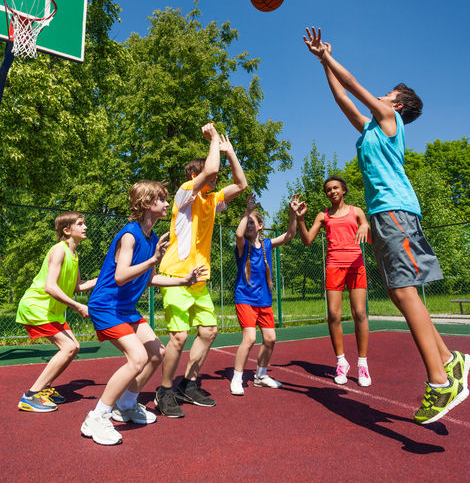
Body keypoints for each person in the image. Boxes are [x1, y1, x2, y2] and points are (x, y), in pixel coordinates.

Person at [303, 27, 470, 424]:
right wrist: (322, 62)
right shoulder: (370, 129)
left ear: (398, 103)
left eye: (387, 94)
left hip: (396, 212)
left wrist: (327, 57)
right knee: (400, 295)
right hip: (384, 216)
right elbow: (343, 97)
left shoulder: (391, 119)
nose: (379, 96)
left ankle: (440, 383)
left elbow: (354, 84)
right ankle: (450, 360)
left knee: (403, 292)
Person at [80, 181, 205, 446]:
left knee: (157, 353)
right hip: (106, 307)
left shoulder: (150, 239)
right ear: (147, 203)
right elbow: (122, 275)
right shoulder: (130, 235)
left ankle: (125, 405)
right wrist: (152, 261)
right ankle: (97, 417)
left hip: (125, 309)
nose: (166, 204)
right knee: (136, 358)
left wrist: (184, 281)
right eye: (161, 199)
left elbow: (149, 279)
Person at [155, 122, 248, 417]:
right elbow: (210, 171)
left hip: (199, 279)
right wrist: (212, 140)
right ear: (195, 176)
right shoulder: (184, 195)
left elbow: (241, 185)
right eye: (210, 174)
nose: (216, 176)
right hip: (175, 277)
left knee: (208, 331)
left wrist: (230, 153)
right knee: (179, 337)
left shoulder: (211, 200)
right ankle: (165, 391)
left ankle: (189, 384)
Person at [295, 176, 372, 387]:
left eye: (336, 187)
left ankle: (362, 364)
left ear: (344, 190)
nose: (332, 191)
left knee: (360, 313)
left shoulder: (357, 212)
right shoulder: (323, 215)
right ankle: (341, 362)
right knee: (333, 315)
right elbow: (307, 240)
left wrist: (365, 226)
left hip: (356, 264)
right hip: (333, 265)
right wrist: (300, 219)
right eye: (328, 189)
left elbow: (365, 225)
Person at [15, 212, 96, 412]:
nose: (85, 227)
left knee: (73, 347)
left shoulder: (74, 254)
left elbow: (77, 287)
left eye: (84, 223)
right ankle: (31, 395)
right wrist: (77, 306)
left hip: (51, 312)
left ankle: (45, 389)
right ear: (67, 230)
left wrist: (104, 278)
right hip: (37, 308)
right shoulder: (59, 250)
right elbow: (50, 287)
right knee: (68, 348)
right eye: (80, 224)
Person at [230, 192, 300, 396]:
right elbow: (238, 234)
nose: (249, 226)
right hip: (245, 298)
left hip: (264, 300)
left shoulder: (268, 245)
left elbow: (289, 235)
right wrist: (247, 211)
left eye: (253, 222)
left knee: (270, 339)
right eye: (247, 223)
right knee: (249, 338)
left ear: (260, 226)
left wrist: (292, 214)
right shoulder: (243, 247)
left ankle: (260, 375)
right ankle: (237, 377)